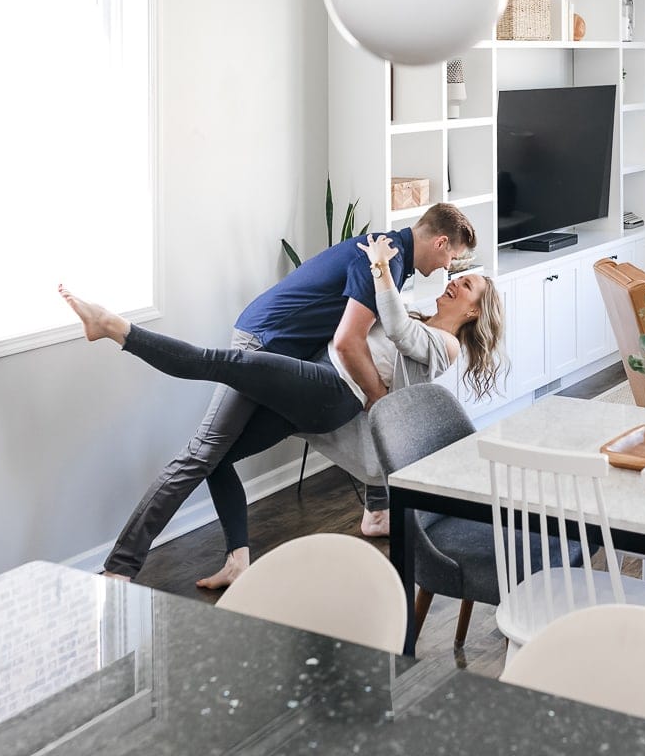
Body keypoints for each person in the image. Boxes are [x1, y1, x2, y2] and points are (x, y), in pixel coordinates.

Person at [93, 204, 476, 585]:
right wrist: (377, 394)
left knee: (204, 453)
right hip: (267, 343)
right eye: (452, 259)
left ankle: (119, 569)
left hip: (291, 359)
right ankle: (229, 562)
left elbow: (369, 342)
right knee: (208, 455)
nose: (448, 271)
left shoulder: (390, 265)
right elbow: (350, 342)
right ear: (441, 242)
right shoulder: (386, 262)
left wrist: (376, 397)